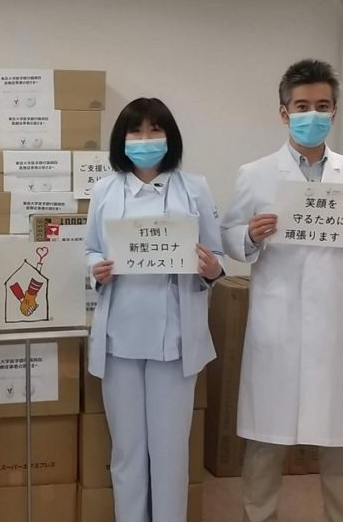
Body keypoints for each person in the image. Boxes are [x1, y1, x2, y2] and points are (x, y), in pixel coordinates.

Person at [221, 59, 343, 522]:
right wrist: (251, 236)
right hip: (278, 328)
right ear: (283, 112)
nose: (311, 114)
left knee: (340, 448)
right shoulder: (255, 174)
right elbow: (228, 236)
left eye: (321, 106)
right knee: (265, 443)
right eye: (301, 106)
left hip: (336, 329)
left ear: (334, 111)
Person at [84, 98, 224, 522]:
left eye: (155, 130)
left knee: (168, 454)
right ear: (121, 140)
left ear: (170, 137)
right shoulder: (105, 189)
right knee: (126, 452)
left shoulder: (194, 188)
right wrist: (96, 268)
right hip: (119, 338)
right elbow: (90, 247)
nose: (145, 140)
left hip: (175, 340)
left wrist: (212, 267)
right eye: (136, 132)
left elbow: (216, 253)